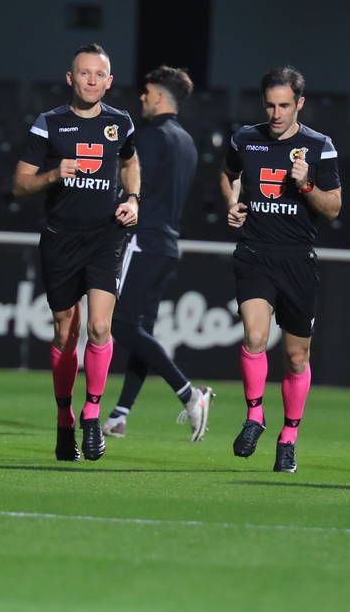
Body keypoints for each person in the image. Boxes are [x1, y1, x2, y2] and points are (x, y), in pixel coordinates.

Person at [12, 43, 140, 463]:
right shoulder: (50, 123)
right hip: (61, 237)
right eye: (83, 73)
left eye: (97, 74)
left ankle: (91, 414)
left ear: (109, 81)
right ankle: (65, 417)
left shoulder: (120, 122)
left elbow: (129, 163)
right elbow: (20, 184)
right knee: (67, 329)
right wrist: (53, 173)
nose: (90, 80)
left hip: (107, 236)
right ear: (70, 78)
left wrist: (134, 198)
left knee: (100, 327)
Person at [219, 66, 342, 473]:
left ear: (299, 104)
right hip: (254, 252)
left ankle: (288, 436)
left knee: (295, 356)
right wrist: (233, 203)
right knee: (255, 335)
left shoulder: (319, 146)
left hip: (297, 259)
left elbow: (334, 208)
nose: (276, 113)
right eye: (270, 105)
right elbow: (228, 173)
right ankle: (255, 416)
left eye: (284, 105)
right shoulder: (245, 139)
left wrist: (307, 185)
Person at [100, 65, 213, 441]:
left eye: (147, 93)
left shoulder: (151, 137)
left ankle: (189, 393)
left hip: (142, 240)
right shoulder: (187, 142)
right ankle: (119, 414)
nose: (142, 98)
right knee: (140, 330)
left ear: (161, 97)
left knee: (119, 324)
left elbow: (130, 184)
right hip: (167, 245)